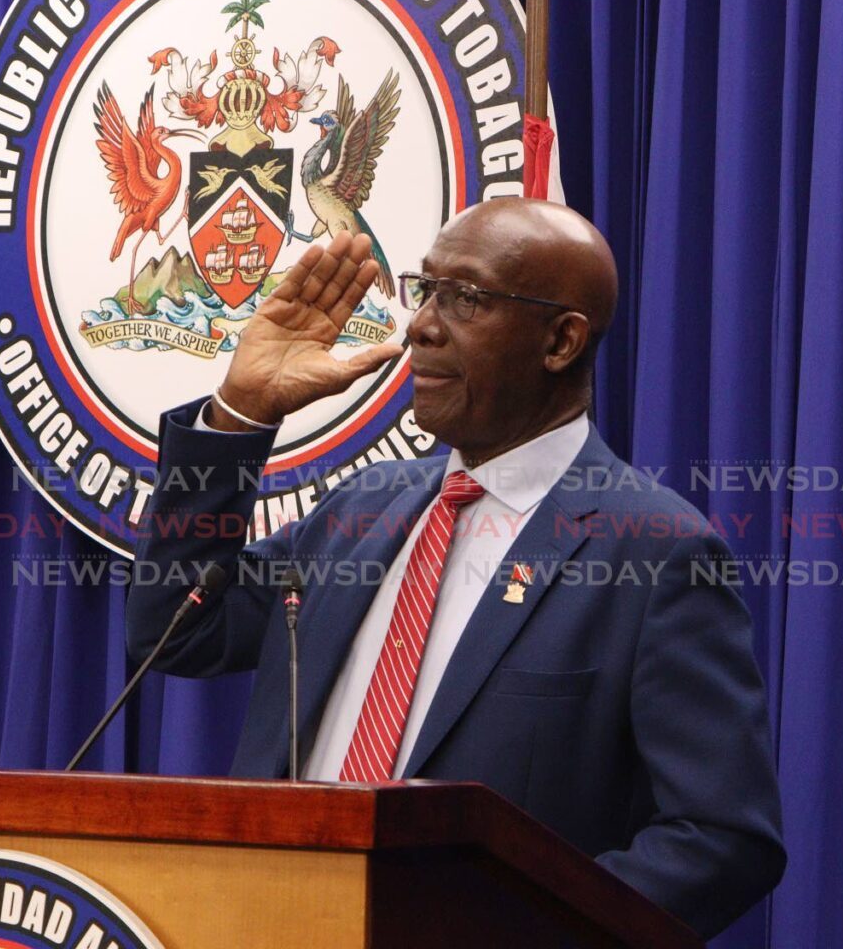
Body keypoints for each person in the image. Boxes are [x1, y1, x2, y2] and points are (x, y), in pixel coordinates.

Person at [127, 199, 786, 939]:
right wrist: (237, 414)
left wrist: (511, 928)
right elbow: (176, 630)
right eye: (426, 289)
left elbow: (723, 838)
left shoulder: (653, 552)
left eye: (465, 299)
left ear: (561, 341)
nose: (422, 326)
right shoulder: (363, 509)